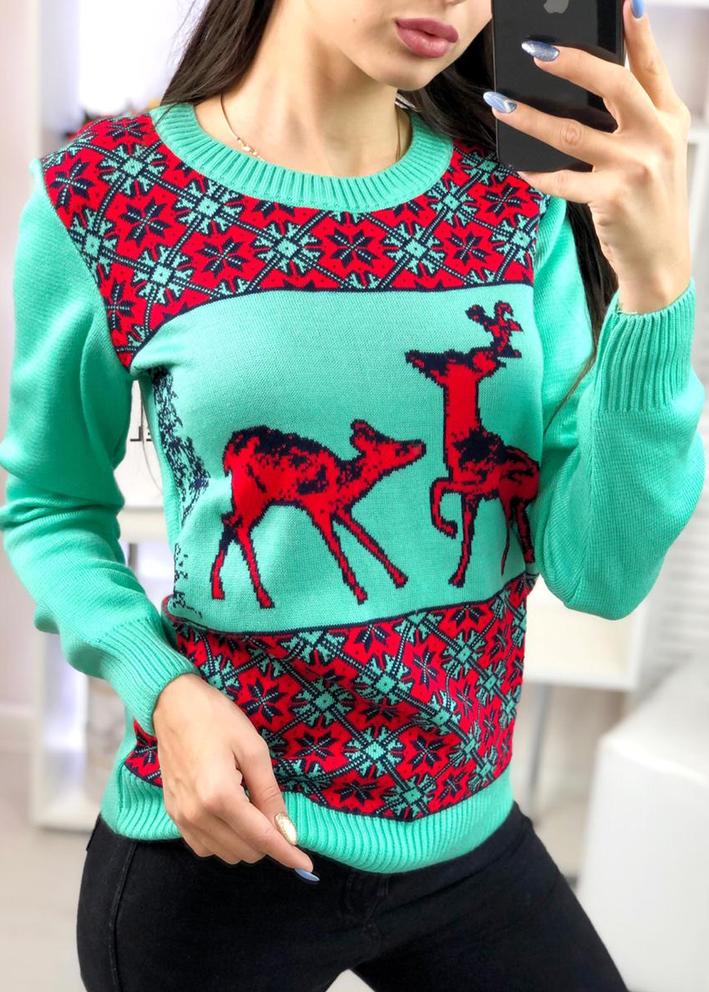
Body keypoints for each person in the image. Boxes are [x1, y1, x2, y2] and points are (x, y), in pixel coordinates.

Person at [0, 0, 704, 988]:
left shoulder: (519, 201)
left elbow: (601, 571)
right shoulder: (107, 196)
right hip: (221, 839)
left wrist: (657, 292)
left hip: (466, 830)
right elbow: (48, 503)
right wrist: (164, 691)